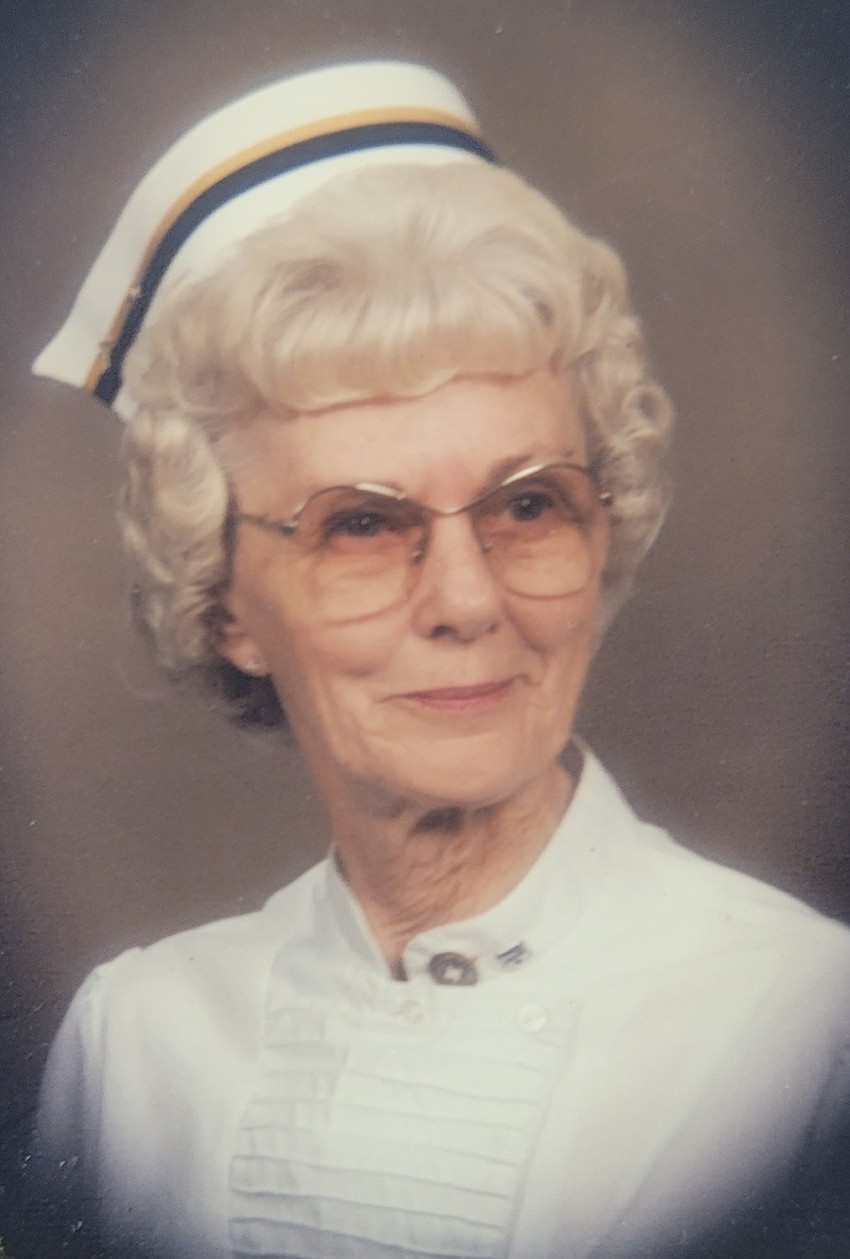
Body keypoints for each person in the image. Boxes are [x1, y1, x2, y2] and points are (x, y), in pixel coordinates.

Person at [31, 60, 850, 1259]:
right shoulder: (135, 1048)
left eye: (527, 503)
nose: (468, 600)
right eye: (361, 523)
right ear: (224, 604)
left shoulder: (808, 1028)